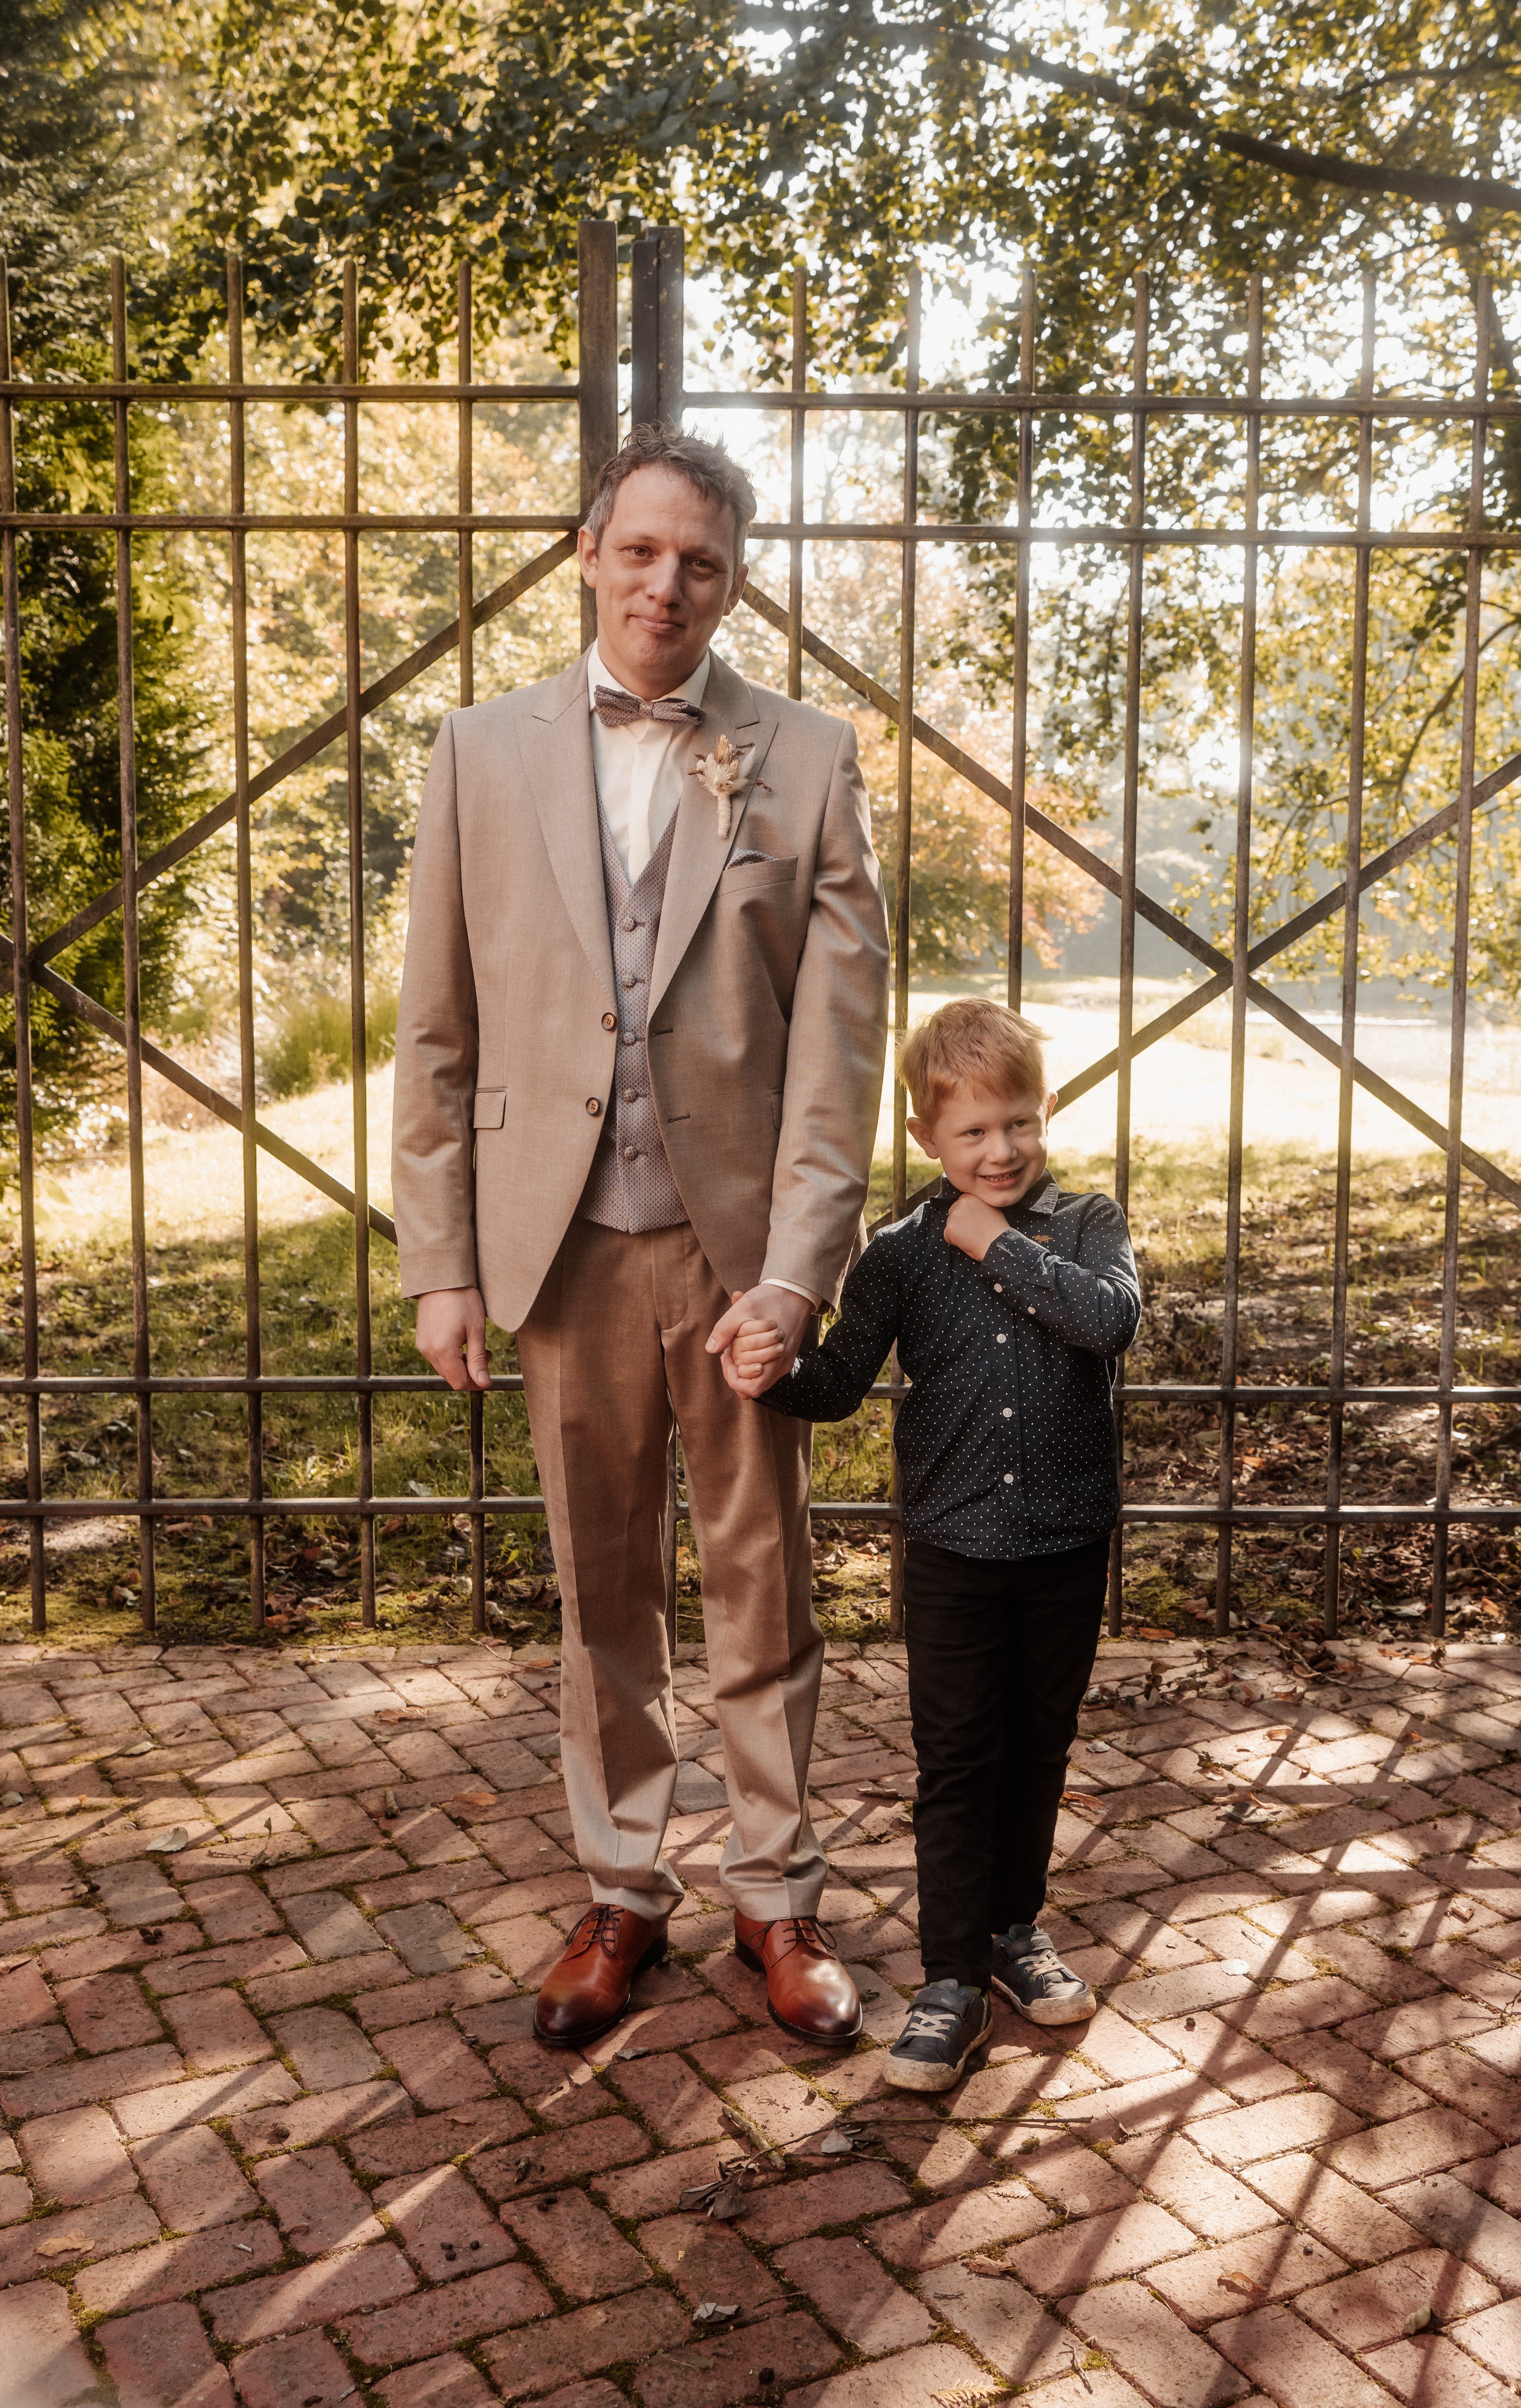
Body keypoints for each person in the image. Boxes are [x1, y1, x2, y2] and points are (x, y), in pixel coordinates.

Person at [392, 423, 890, 2048]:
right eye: (642, 551)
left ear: (732, 584)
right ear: (588, 555)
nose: (668, 585)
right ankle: (621, 1891)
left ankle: (776, 1897)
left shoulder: (806, 756)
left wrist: (798, 1274)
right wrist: (442, 1263)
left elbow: (838, 1049)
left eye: (703, 563)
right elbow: (437, 1031)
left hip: (735, 1253)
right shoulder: (477, 750)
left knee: (762, 1585)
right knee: (600, 1592)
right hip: (560, 1253)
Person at [731, 998, 1140, 2089]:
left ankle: (1013, 1932)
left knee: (1038, 1751)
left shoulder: (1088, 1225)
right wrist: (773, 1369)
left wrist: (996, 1242)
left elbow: (1108, 1322)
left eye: (1018, 1123)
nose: (1000, 1150)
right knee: (959, 1762)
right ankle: (950, 1978)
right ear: (926, 1137)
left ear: (1046, 1112)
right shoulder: (903, 1254)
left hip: (1064, 1544)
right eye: (973, 1132)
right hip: (956, 1550)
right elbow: (839, 1382)